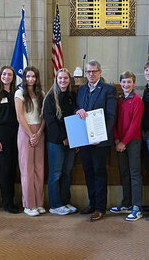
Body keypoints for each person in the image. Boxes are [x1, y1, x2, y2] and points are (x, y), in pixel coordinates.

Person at [76, 60, 116, 222]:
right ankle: (92, 203)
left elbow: (111, 115)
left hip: (100, 140)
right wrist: (77, 110)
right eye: (88, 72)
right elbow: (77, 109)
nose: (91, 74)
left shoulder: (108, 90)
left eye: (94, 71)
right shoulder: (81, 89)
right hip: (85, 139)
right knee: (88, 171)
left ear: (100, 72)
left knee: (99, 172)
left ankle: (100, 207)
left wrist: (99, 136)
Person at [110, 71, 144, 221]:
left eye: (129, 82)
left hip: (133, 141)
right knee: (124, 172)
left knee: (134, 173)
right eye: (123, 82)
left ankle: (137, 207)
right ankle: (127, 203)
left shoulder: (137, 100)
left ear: (134, 83)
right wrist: (117, 140)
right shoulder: (118, 100)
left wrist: (124, 142)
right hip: (120, 142)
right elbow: (115, 122)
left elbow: (135, 125)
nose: (126, 85)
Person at [43, 68, 77, 216]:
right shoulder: (50, 98)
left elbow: (75, 119)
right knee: (55, 174)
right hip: (56, 142)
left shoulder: (72, 96)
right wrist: (64, 138)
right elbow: (51, 123)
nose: (63, 81)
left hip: (71, 141)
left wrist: (74, 139)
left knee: (66, 173)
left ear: (69, 80)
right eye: (60, 78)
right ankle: (55, 205)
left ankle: (65, 201)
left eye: (65, 78)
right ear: (56, 80)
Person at [0, 65, 19, 214]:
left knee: (13, 169)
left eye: (10, 75)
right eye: (4, 74)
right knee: (5, 169)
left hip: (17, 133)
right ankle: (7, 202)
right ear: (0, 76)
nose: (7, 77)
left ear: (13, 78)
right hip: (2, 134)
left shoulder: (16, 93)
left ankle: (13, 199)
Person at [15, 66, 46, 217]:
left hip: (39, 131)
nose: (30, 79)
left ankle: (39, 203)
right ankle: (29, 204)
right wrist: (30, 134)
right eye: (28, 76)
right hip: (25, 131)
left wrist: (39, 133)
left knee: (39, 169)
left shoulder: (41, 94)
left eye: (33, 76)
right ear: (24, 77)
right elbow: (19, 116)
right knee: (27, 169)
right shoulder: (19, 93)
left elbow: (44, 115)